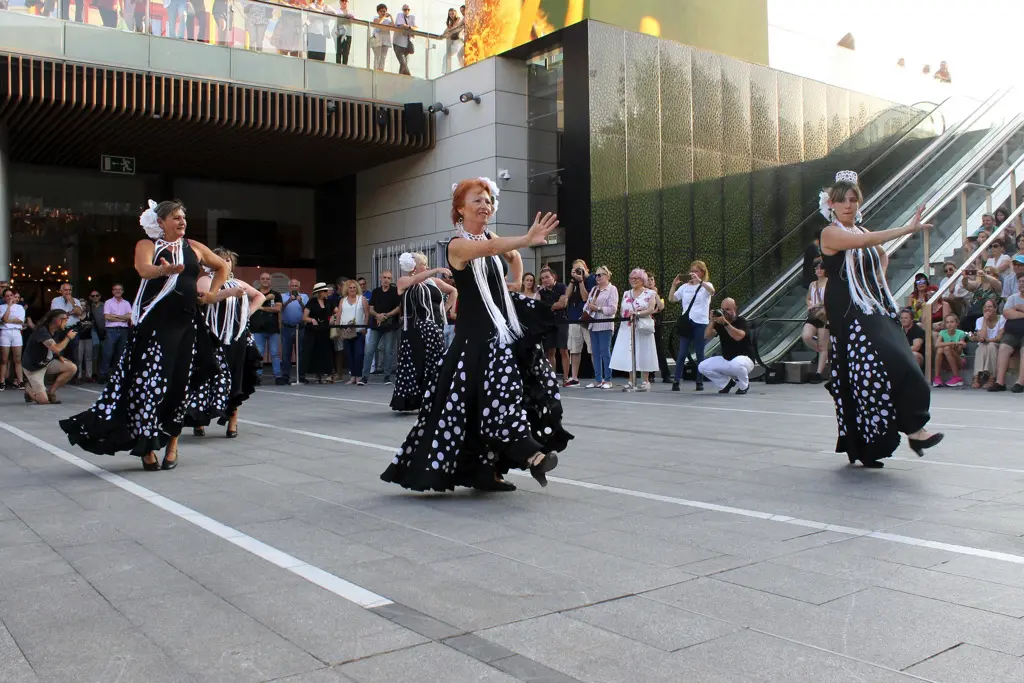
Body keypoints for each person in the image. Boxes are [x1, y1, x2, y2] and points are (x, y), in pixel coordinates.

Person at [380, 176, 570, 492]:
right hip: (476, 336)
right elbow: (495, 248)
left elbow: (511, 256)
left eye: (488, 200)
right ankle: (530, 454)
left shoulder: (490, 235)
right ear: (460, 209)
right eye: (477, 200)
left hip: (496, 329)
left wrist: (513, 283)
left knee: (489, 397)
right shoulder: (457, 246)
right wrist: (526, 238)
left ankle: (486, 472)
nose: (485, 205)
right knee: (497, 392)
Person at [60, 200, 231, 471]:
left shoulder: (194, 247)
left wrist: (212, 293)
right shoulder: (147, 245)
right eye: (175, 217)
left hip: (186, 327)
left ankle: (172, 445)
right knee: (148, 386)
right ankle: (146, 444)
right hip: (154, 328)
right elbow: (144, 270)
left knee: (179, 385)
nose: (182, 221)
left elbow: (222, 266)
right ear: (160, 222)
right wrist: (165, 269)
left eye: (183, 217)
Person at [818, 171, 942, 467]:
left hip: (870, 305)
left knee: (902, 360)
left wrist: (874, 281)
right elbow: (869, 242)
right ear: (831, 204)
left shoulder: (859, 230)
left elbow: (880, 253)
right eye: (842, 200)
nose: (849, 205)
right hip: (848, 310)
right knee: (867, 372)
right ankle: (874, 442)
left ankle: (911, 429)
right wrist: (908, 229)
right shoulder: (831, 234)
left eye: (853, 200)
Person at [186, 248, 265, 438]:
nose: (226, 262)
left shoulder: (239, 282)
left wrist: (247, 313)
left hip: (236, 338)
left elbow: (260, 296)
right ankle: (199, 419)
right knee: (207, 376)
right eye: (221, 259)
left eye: (228, 259)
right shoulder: (206, 280)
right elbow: (203, 298)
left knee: (235, 378)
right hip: (213, 338)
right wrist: (229, 292)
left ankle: (232, 421)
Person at [390, 252, 455, 411]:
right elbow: (414, 280)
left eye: (426, 265)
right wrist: (435, 270)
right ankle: (415, 401)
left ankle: (432, 400)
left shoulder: (434, 282)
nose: (426, 267)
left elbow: (453, 291)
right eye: (423, 265)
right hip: (414, 330)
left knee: (434, 365)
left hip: (435, 329)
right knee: (416, 364)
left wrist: (446, 309)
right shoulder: (404, 281)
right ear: (414, 266)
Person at [609, 268, 659, 391]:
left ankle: (645, 381)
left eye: (636, 278)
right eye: (631, 278)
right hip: (628, 327)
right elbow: (622, 310)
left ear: (642, 280)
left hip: (642, 327)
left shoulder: (650, 293)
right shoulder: (626, 293)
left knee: (644, 351)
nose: (633, 280)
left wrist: (636, 313)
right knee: (629, 352)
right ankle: (631, 380)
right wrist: (628, 314)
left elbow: (651, 309)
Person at [670, 261, 714, 391]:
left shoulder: (706, 285)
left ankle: (699, 381)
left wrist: (700, 281)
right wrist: (674, 285)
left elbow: (712, 292)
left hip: (701, 323)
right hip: (687, 323)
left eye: (696, 271)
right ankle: (676, 381)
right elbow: (672, 299)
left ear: (702, 272)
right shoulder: (685, 287)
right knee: (682, 352)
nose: (693, 273)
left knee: (700, 353)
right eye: (692, 271)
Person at [698, 298, 754, 395]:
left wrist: (725, 323)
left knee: (736, 363)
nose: (725, 312)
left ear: (735, 309)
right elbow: (706, 336)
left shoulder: (741, 321)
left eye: (728, 309)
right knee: (702, 366)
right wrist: (712, 321)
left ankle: (744, 385)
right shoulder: (719, 323)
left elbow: (738, 336)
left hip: (745, 360)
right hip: (727, 359)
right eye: (723, 309)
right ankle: (726, 383)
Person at [22, 310, 78, 405]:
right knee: (43, 401)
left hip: (46, 363)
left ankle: (51, 392)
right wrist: (68, 337)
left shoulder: (55, 330)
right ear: (58, 321)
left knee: (72, 367)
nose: (67, 321)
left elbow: (53, 347)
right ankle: (28, 388)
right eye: (66, 319)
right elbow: (56, 348)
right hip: (34, 368)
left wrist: (59, 357)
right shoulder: (42, 331)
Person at [359, 271, 401, 385]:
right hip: (376, 324)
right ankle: (364, 377)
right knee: (369, 351)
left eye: (389, 278)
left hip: (391, 324)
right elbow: (370, 308)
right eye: (384, 277)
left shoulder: (395, 291)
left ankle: (387, 376)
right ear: (380, 278)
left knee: (388, 351)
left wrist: (387, 315)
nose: (386, 279)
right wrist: (378, 315)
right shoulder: (376, 292)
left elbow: (399, 307)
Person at [584, 266, 617, 389]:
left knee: (605, 352)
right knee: (595, 353)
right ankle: (598, 379)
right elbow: (587, 304)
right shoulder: (593, 289)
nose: (597, 277)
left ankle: (608, 379)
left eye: (600, 275)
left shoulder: (612, 289)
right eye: (596, 275)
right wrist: (587, 309)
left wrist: (597, 308)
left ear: (607, 276)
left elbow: (613, 309)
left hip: (605, 325)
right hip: (593, 324)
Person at [990, 273, 1024, 393]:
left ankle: (1020, 382)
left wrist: (1019, 308)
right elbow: (1007, 314)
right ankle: (1000, 382)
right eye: (1020, 282)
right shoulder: (1012, 298)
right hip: (1012, 332)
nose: (1022, 284)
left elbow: (1012, 313)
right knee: (1004, 347)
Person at [564, 260, 596, 387]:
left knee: (592, 349)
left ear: (586, 268)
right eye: (575, 270)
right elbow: (566, 296)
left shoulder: (592, 279)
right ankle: (575, 377)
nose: (578, 272)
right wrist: (573, 280)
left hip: (587, 318)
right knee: (574, 349)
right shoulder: (574, 280)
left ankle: (598, 376)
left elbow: (585, 298)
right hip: (573, 317)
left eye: (580, 269)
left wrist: (581, 280)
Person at [251, 272, 284, 384]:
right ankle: (257, 376)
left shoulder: (276, 294)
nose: (265, 280)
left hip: (272, 328)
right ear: (259, 280)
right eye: (263, 279)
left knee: (275, 353)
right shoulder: (255, 293)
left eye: (267, 279)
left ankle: (277, 375)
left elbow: (277, 309)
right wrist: (265, 298)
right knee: (259, 353)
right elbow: (251, 307)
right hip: (257, 328)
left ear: (271, 281)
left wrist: (261, 307)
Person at [538, 268, 569, 381]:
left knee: (563, 350)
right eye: (542, 278)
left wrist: (550, 307)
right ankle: (553, 377)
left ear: (553, 276)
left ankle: (566, 378)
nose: (545, 280)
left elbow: (563, 304)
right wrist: (552, 306)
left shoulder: (562, 287)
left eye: (547, 277)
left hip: (562, 321)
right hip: (549, 323)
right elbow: (542, 308)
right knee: (550, 351)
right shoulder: (541, 292)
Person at [801, 259, 829, 382]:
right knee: (806, 336)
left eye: (821, 268)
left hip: (825, 316)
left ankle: (819, 373)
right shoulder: (813, 284)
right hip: (813, 315)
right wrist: (810, 304)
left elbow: (830, 298)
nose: (818, 271)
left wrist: (816, 304)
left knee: (823, 345)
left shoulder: (829, 283)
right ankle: (821, 351)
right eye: (816, 268)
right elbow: (807, 298)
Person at [303, 282, 337, 383]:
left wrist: (333, 317)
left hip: (325, 329)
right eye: (325, 291)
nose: (327, 292)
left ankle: (328, 373)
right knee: (314, 351)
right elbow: (304, 317)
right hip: (313, 330)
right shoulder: (312, 302)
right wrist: (311, 320)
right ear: (319, 292)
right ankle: (317, 374)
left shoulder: (329, 302)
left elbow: (338, 311)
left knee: (326, 352)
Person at [337, 279, 369, 384]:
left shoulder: (362, 299)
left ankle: (359, 375)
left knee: (359, 353)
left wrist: (365, 327)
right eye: (350, 287)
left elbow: (367, 313)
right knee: (349, 354)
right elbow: (339, 314)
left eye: (354, 287)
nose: (352, 289)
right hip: (346, 331)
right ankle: (353, 376)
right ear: (347, 289)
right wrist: (337, 328)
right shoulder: (343, 300)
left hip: (359, 331)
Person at [50, 282, 83, 384]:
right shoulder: (56, 300)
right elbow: (57, 314)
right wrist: (70, 312)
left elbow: (80, 313)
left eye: (69, 290)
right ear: (61, 291)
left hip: (72, 328)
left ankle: (74, 377)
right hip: (60, 330)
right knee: (59, 352)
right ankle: (59, 377)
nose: (68, 292)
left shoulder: (76, 301)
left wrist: (72, 302)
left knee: (74, 353)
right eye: (65, 290)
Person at [101, 283, 132, 382]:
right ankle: (103, 376)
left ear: (122, 291)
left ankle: (116, 376)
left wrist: (115, 317)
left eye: (119, 289)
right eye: (115, 289)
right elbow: (107, 317)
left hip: (123, 331)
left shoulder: (126, 303)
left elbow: (129, 317)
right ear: (112, 291)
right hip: (111, 331)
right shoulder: (108, 302)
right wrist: (123, 318)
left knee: (120, 354)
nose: (117, 291)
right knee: (107, 354)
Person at [280, 279, 308, 384]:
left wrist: (300, 301)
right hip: (287, 327)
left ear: (299, 287)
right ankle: (285, 376)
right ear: (289, 287)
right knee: (286, 353)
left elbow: (307, 310)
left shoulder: (304, 296)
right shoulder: (283, 296)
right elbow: (280, 308)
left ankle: (301, 376)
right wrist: (289, 301)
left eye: (296, 286)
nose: (294, 287)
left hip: (300, 328)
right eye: (292, 286)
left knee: (300, 352)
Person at [971, 299, 1003, 388]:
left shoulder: (1002, 319)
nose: (986, 309)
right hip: (984, 344)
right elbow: (982, 338)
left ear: (995, 309)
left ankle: (991, 377)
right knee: (981, 346)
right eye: (985, 307)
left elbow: (999, 338)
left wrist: (987, 340)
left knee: (991, 346)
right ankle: (976, 377)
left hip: (997, 344)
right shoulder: (979, 320)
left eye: (989, 306)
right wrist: (985, 320)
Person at [647, 274, 672, 384]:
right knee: (648, 350)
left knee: (660, 350)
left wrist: (655, 293)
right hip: (646, 324)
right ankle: (650, 375)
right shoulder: (643, 294)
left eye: (652, 279)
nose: (650, 281)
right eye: (647, 280)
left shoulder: (658, 294)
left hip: (657, 325)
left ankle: (665, 375)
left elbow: (661, 306)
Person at [0, 288, 26, 390]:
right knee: (4, 359)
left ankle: (20, 381)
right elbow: (4, 319)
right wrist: (9, 307)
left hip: (16, 332)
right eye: (7, 296)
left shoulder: (20, 308)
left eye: (11, 295)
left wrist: (8, 321)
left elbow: (20, 320)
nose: (10, 297)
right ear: (4, 298)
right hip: (5, 333)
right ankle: (2, 382)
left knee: (18, 359)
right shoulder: (1, 307)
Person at [933, 314, 968, 387]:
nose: (949, 324)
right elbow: (937, 344)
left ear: (957, 323)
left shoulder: (961, 333)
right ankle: (937, 378)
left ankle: (957, 377)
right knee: (940, 350)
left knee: (946, 348)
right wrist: (953, 343)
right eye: (947, 322)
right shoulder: (943, 332)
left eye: (952, 322)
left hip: (959, 360)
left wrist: (951, 347)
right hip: (946, 361)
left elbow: (959, 350)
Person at [392, 3, 417, 76]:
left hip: (407, 44)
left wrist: (409, 28)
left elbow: (416, 27)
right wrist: (410, 28)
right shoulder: (400, 15)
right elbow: (401, 25)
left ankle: (401, 77)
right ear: (402, 10)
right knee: (403, 62)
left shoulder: (412, 17)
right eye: (405, 9)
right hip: (398, 43)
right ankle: (409, 77)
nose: (406, 11)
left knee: (403, 64)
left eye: (408, 9)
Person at [441, 7, 464, 74]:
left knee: (458, 56)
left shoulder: (459, 19)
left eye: (453, 14)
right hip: (454, 42)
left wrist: (449, 31)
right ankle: (446, 72)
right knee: (446, 56)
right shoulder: (450, 23)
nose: (451, 15)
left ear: (455, 13)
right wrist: (445, 33)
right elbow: (446, 31)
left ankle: (462, 69)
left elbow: (454, 28)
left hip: (459, 41)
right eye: (450, 14)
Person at [371, 4, 394, 71]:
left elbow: (393, 26)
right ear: (378, 12)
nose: (383, 13)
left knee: (383, 57)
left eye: (384, 11)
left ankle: (381, 70)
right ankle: (375, 70)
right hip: (376, 38)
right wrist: (383, 17)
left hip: (385, 40)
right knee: (377, 56)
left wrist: (391, 16)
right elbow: (378, 23)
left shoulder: (387, 21)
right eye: (381, 11)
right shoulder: (376, 18)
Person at [335, 0, 355, 64]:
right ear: (340, 2)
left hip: (348, 34)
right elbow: (338, 20)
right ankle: (338, 67)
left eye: (346, 1)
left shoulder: (350, 12)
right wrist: (346, 18)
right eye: (342, 1)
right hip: (339, 33)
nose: (344, 2)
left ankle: (344, 67)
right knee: (338, 52)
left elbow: (353, 20)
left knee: (346, 53)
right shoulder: (337, 11)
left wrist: (345, 18)